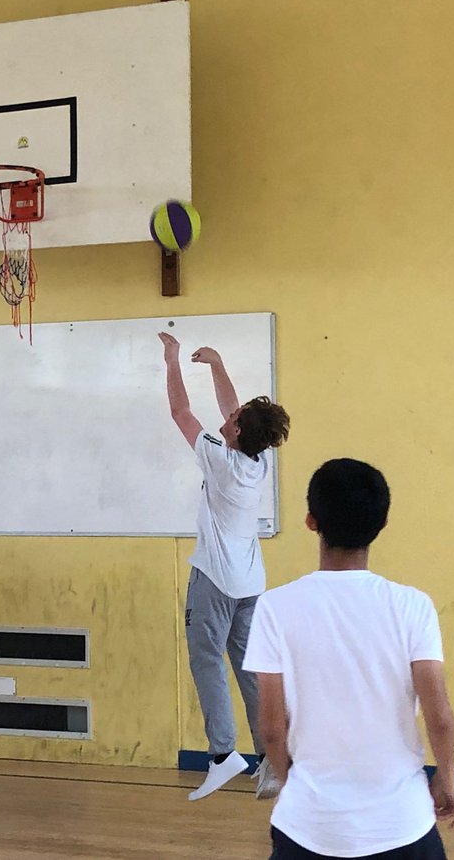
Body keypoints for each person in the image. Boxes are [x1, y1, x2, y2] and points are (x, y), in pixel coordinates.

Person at [243, 459, 454, 858]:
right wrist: (447, 777)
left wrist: (298, 789)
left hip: (306, 829)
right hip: (403, 827)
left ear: (311, 521)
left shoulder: (274, 607)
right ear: (381, 525)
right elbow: (439, 715)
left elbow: (272, 728)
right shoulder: (414, 606)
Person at [157, 333, 290, 801]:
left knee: (206, 660)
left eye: (231, 419)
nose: (227, 417)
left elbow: (181, 413)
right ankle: (274, 761)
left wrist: (173, 360)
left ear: (233, 433)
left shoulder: (220, 461)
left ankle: (222, 755)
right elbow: (236, 412)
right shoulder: (256, 463)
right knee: (249, 668)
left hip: (214, 581)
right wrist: (217, 363)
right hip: (251, 583)